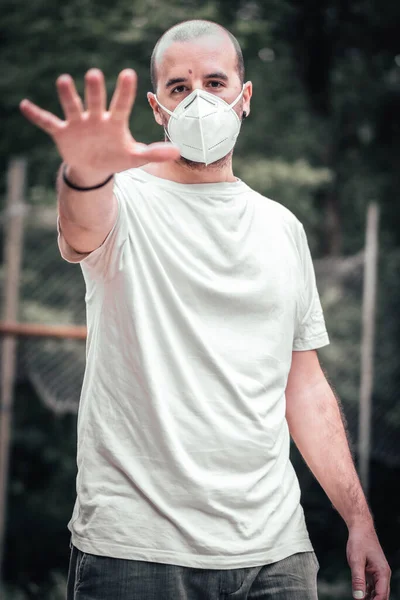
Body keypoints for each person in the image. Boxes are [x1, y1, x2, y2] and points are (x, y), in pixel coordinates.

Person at [20, 19, 391, 600]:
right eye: (178, 87)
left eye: (215, 82)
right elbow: (81, 225)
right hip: (136, 554)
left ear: (244, 98)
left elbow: (306, 386)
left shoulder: (281, 228)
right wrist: (84, 170)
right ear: (157, 107)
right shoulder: (123, 200)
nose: (199, 99)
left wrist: (359, 518)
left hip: (277, 556)